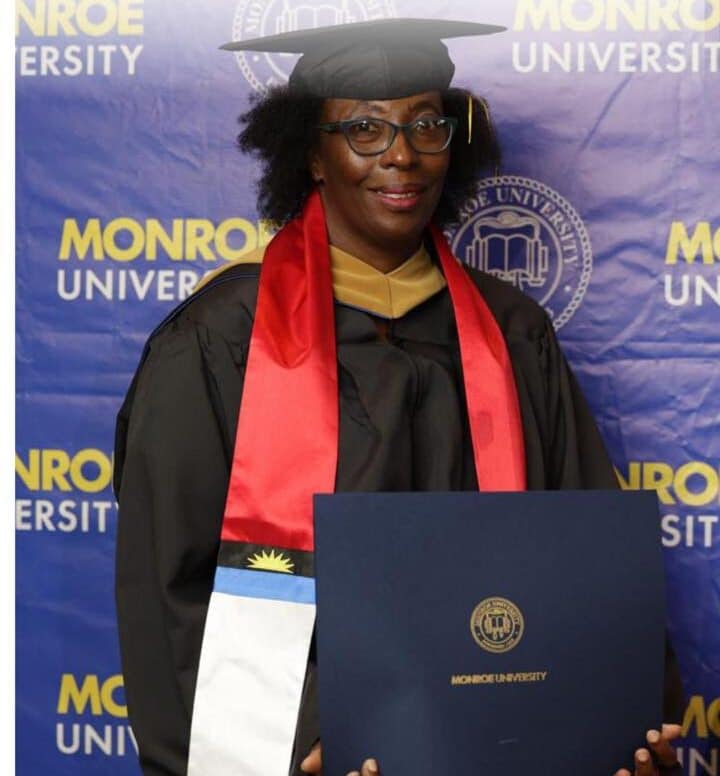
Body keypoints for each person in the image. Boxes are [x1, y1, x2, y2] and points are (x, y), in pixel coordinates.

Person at [113, 18, 684, 776]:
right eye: (364, 129)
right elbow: (171, 588)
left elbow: (586, 557)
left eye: (425, 125)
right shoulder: (220, 340)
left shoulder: (513, 333)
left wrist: (621, 718)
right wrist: (304, 744)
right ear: (311, 154)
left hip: (504, 745)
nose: (402, 154)